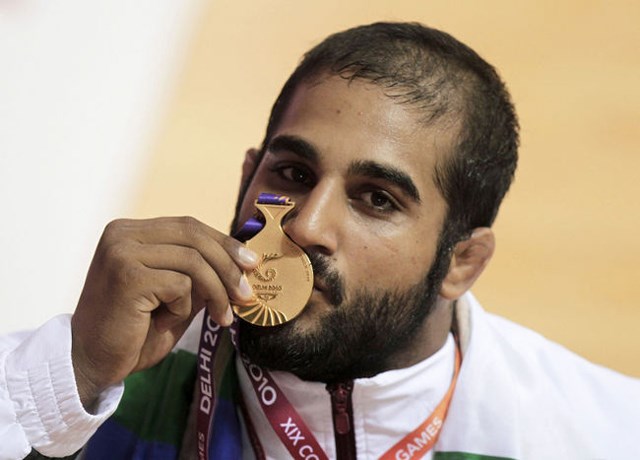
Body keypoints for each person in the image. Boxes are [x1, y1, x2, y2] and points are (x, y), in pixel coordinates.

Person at [1, 21, 639, 460]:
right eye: (293, 174)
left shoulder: (600, 434)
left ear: (461, 262)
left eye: (376, 200)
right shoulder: (96, 377)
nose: (305, 225)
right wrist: (72, 375)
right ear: (248, 176)